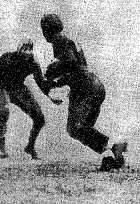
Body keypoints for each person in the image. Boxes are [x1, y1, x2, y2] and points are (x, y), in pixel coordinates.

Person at [40, 14, 128, 171]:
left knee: (75, 128)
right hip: (96, 86)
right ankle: (113, 152)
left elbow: (71, 63)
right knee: (84, 128)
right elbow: (76, 66)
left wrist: (53, 72)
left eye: (43, 29)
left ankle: (111, 150)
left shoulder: (59, 40)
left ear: (47, 30)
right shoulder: (69, 39)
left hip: (84, 88)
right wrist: (58, 79)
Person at [0, 39, 59, 159]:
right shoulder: (8, 58)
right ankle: (2, 147)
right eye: (24, 49)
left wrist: (51, 95)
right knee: (4, 112)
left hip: (19, 88)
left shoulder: (33, 63)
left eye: (30, 49)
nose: (27, 52)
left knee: (39, 118)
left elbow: (41, 82)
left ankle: (30, 146)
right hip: (2, 86)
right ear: (18, 49)